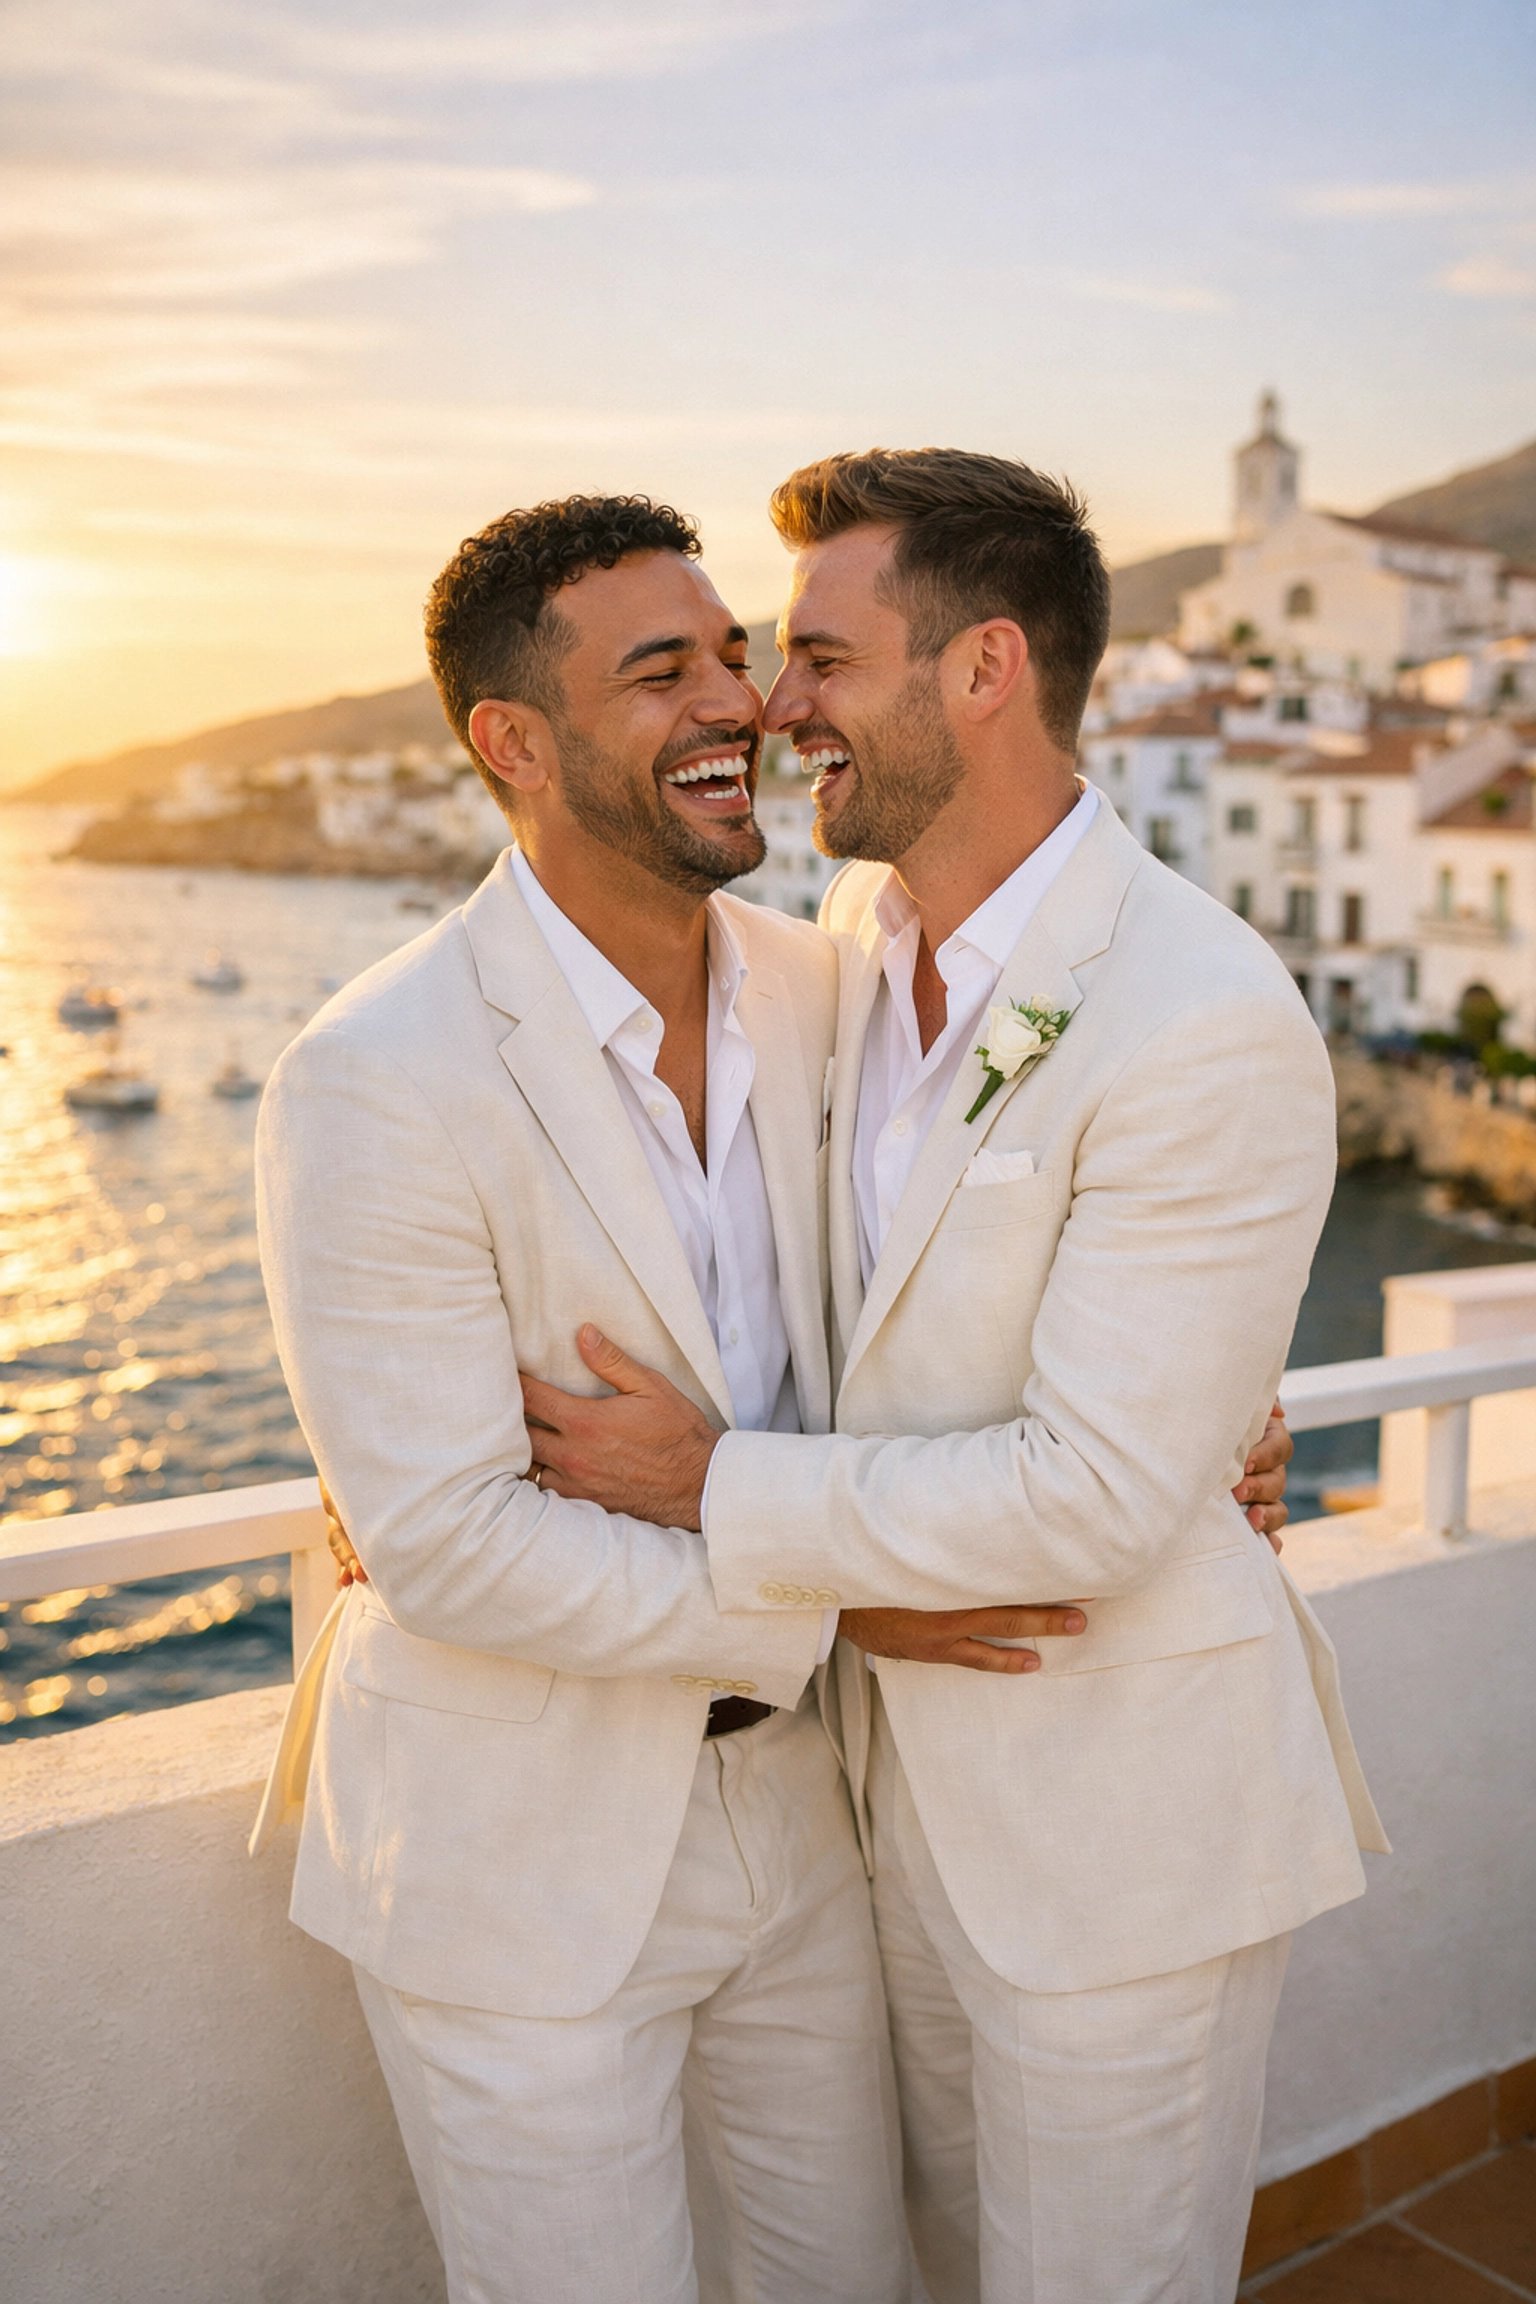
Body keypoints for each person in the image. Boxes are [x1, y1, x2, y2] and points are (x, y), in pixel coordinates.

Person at [515, 449, 1388, 2304]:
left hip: (1117, 1825)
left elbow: (1100, 1496)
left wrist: (700, 1486)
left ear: (985, 667)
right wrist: (434, 1441)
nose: (775, 706)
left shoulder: (1202, 1012)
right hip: (891, 1801)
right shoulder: (850, 946)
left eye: (823, 657)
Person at [251, 493, 1113, 2304]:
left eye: (737, 653)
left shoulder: (828, 988)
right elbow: (449, 1548)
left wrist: (1199, 1414)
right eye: (663, 673)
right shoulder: (374, 1074)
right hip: (516, 1843)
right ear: (515, 743)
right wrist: (839, 1610)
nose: (741, 702)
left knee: (848, 2280)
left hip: (797, 1818)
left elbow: (975, 1244)